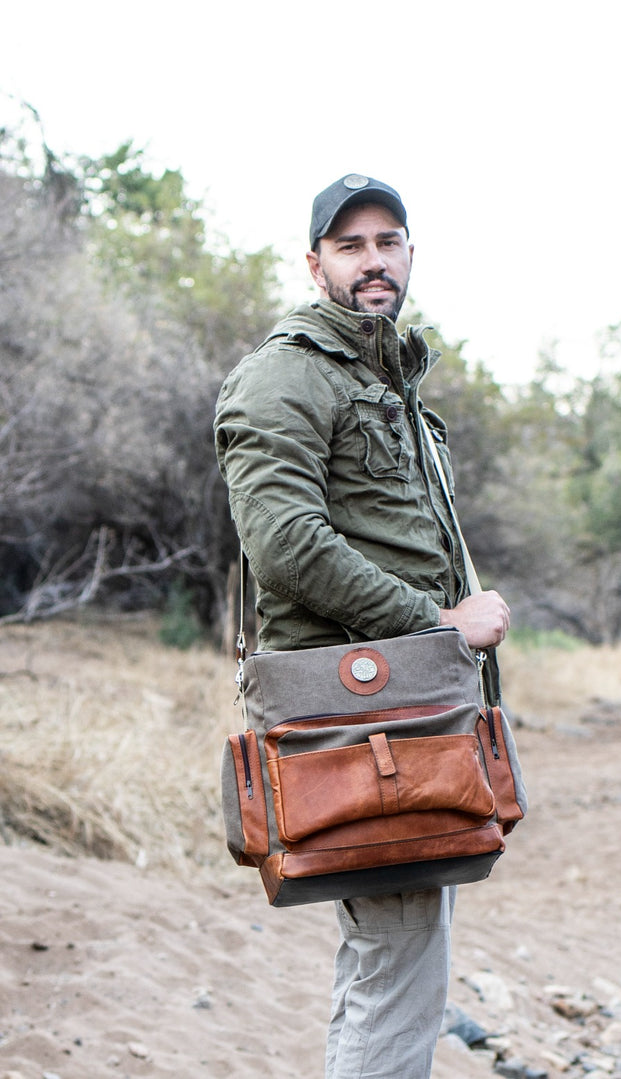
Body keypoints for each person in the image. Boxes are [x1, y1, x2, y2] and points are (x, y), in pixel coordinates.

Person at [214, 174, 512, 1079]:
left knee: (392, 955)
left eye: (389, 240)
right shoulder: (284, 373)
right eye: (350, 245)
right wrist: (440, 627)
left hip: (419, 712)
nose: (373, 260)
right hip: (362, 719)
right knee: (397, 964)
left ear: (410, 252)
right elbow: (284, 543)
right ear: (315, 264)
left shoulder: (398, 385)